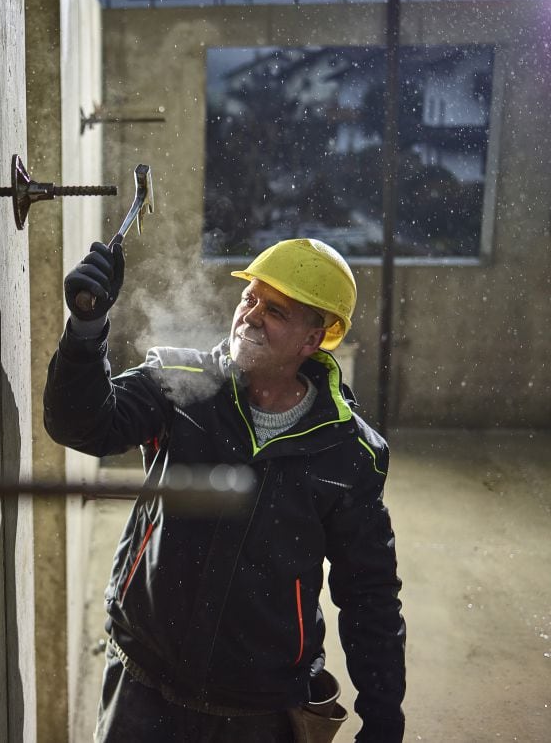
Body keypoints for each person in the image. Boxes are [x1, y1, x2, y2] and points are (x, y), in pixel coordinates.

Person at [44, 237, 405, 742]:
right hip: (145, 679)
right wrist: (85, 331)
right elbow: (80, 426)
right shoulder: (180, 384)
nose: (251, 315)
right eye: (249, 298)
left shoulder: (350, 453)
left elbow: (369, 595)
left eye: (275, 310)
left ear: (313, 338)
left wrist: (384, 715)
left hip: (259, 707)